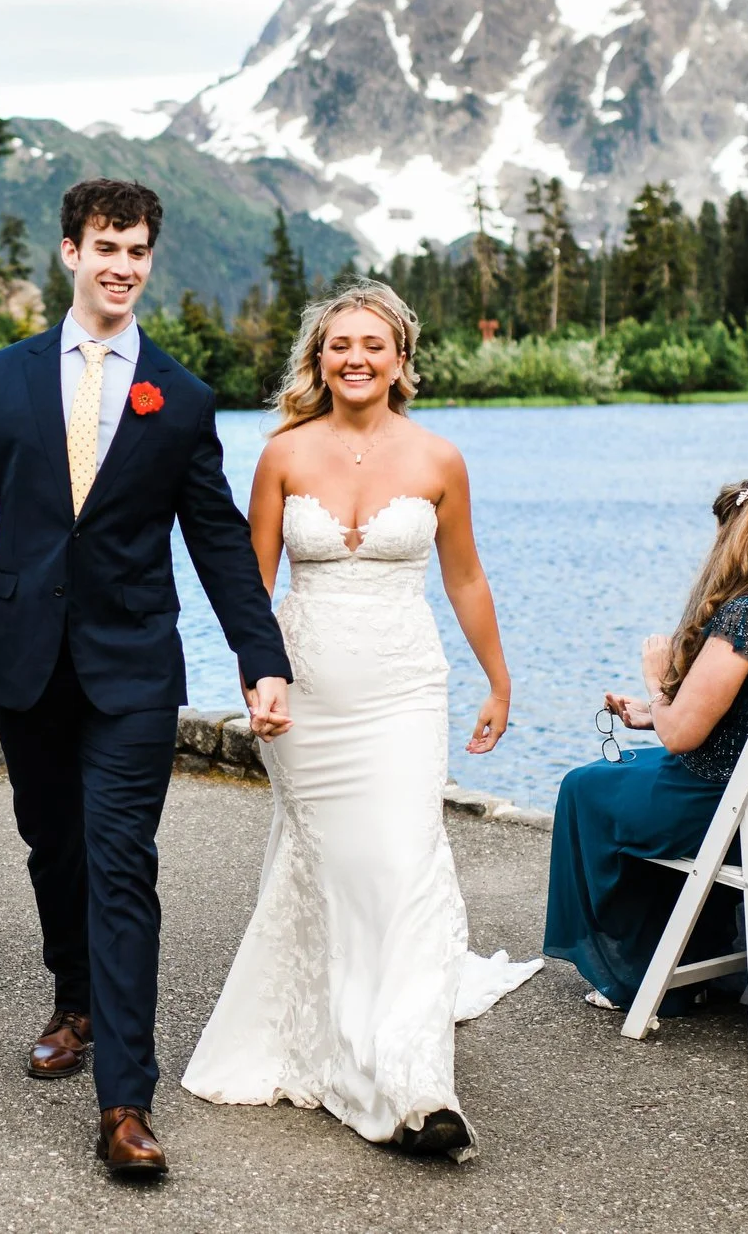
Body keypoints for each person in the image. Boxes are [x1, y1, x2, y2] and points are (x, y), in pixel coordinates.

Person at [0, 178, 292, 1179]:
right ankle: (73, 997)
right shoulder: (3, 377)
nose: (121, 264)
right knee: (55, 848)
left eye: (138, 249)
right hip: (24, 659)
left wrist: (261, 655)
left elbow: (216, 539)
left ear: (149, 260)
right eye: (105, 245)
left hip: (131, 666)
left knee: (122, 863)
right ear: (69, 252)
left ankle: (125, 1099)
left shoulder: (181, 395)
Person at [183, 281, 536, 1160]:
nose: (355, 357)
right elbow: (248, 585)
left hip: (405, 689)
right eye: (340, 343)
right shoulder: (283, 455)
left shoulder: (438, 458)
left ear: (401, 357)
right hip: (307, 697)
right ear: (318, 357)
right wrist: (255, 678)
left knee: (404, 858)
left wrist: (498, 680)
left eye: (373, 344)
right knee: (339, 865)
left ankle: (415, 1082)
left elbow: (465, 579)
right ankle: (336, 1027)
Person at [545, 479, 748, 1020]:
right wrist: (658, 714)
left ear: (738, 540)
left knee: (587, 786)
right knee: (641, 768)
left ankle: (642, 972)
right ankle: (699, 960)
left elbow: (682, 737)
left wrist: (656, 683)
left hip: (746, 812)